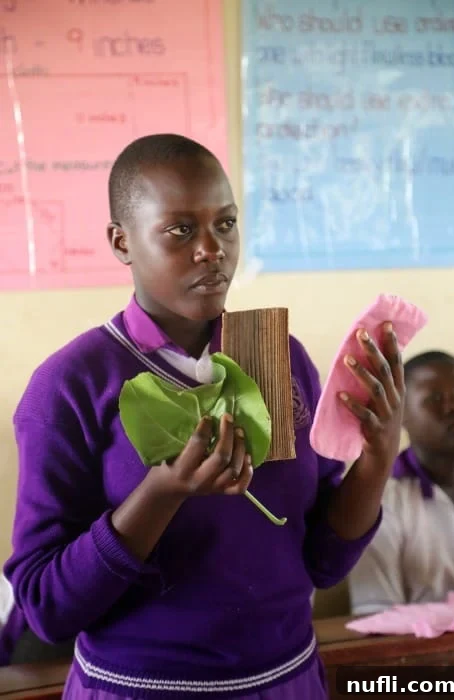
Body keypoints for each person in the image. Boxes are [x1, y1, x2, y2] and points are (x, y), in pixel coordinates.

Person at [5, 134, 404, 699]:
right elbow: (46, 608)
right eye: (180, 230)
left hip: (286, 681)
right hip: (139, 689)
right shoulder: (70, 385)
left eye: (226, 224)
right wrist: (162, 494)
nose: (212, 249)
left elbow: (321, 563)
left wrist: (377, 457)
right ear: (122, 242)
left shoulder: (274, 356)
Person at [349, 351, 454, 616]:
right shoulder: (379, 502)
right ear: (400, 415)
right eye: (435, 399)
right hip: (422, 655)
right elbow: (377, 617)